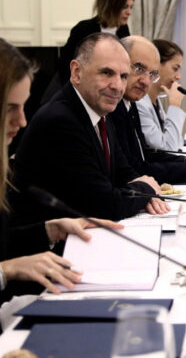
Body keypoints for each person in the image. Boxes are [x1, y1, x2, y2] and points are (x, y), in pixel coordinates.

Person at [0, 37, 123, 301]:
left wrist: (49, 230)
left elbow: (5, 242)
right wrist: (6, 270)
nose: (22, 121)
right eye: (10, 109)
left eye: (22, 107)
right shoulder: (59, 118)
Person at [11, 33, 168, 223]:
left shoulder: (99, 110)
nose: (117, 86)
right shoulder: (60, 120)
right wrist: (146, 189)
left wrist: (143, 189)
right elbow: (105, 205)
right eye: (107, 73)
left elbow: (123, 171)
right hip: (44, 238)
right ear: (77, 72)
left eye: (123, 76)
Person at [108, 36, 186, 184]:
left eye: (152, 74)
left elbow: (145, 154)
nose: (145, 81)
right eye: (139, 69)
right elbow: (134, 168)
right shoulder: (114, 107)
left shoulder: (130, 103)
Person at [135, 39, 186, 151]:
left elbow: (177, 143)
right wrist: (175, 105)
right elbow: (168, 149)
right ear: (156, 64)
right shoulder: (139, 104)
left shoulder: (155, 100)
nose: (178, 76)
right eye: (175, 69)